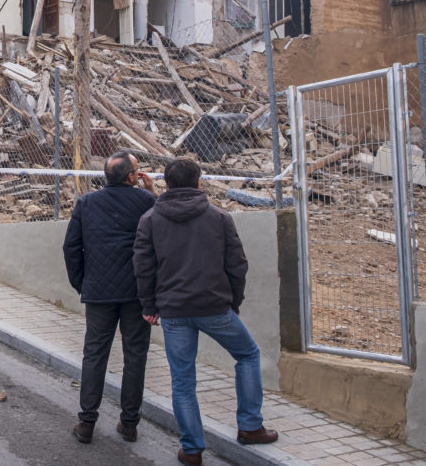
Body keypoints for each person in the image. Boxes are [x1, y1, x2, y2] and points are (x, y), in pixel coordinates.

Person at [133, 158, 278, 466]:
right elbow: (237, 264)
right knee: (248, 355)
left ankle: (192, 449)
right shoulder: (219, 218)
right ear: (199, 183)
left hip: (173, 311)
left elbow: (143, 268)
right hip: (214, 307)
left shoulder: (150, 219)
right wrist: (232, 303)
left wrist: (149, 305)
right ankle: (250, 426)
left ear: (168, 184)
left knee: (182, 380)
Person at [61, 150, 156, 445]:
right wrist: (153, 192)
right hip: (136, 293)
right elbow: (163, 235)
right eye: (137, 170)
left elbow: (70, 248)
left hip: (99, 292)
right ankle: (129, 424)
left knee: (95, 355)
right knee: (136, 355)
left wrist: (82, 284)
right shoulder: (147, 202)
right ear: (131, 177)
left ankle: (87, 422)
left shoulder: (86, 203)